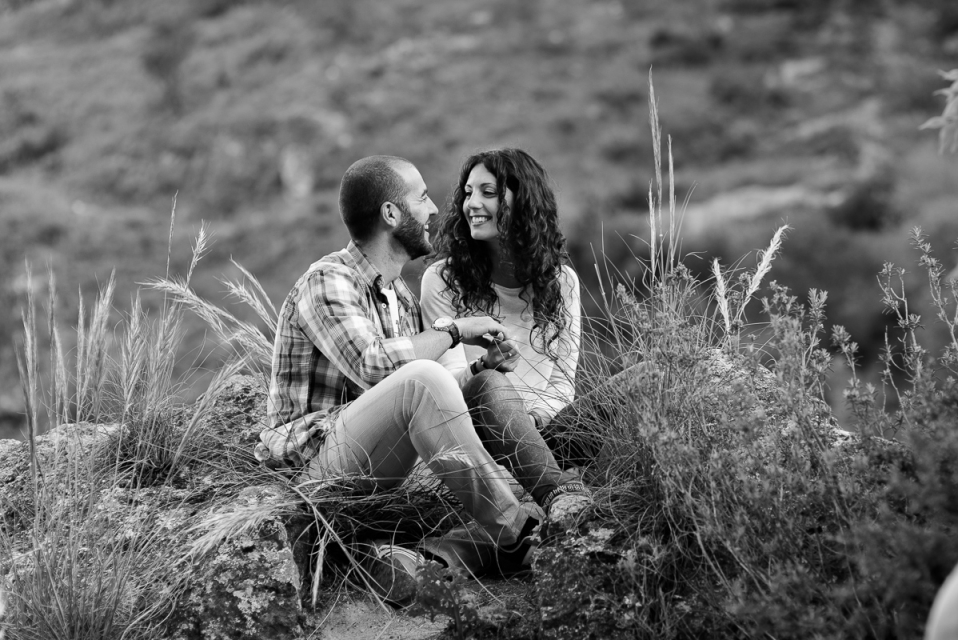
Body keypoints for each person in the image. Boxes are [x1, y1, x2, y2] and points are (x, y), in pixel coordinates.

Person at [254, 155, 582, 602]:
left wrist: (482, 371)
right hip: (316, 470)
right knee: (423, 376)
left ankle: (415, 559)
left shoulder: (400, 298)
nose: (435, 210)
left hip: (381, 468)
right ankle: (516, 531)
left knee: (475, 386)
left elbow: (431, 401)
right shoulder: (329, 279)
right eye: (422, 198)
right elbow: (375, 366)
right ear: (391, 214)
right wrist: (454, 330)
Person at [420, 148, 592, 521]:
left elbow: (563, 384)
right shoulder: (442, 281)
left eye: (488, 193)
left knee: (644, 378)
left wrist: (534, 421)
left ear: (523, 203)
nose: (472, 204)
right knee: (490, 383)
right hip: (482, 440)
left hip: (549, 432)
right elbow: (448, 387)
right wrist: (486, 365)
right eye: (468, 193)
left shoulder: (561, 282)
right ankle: (561, 496)